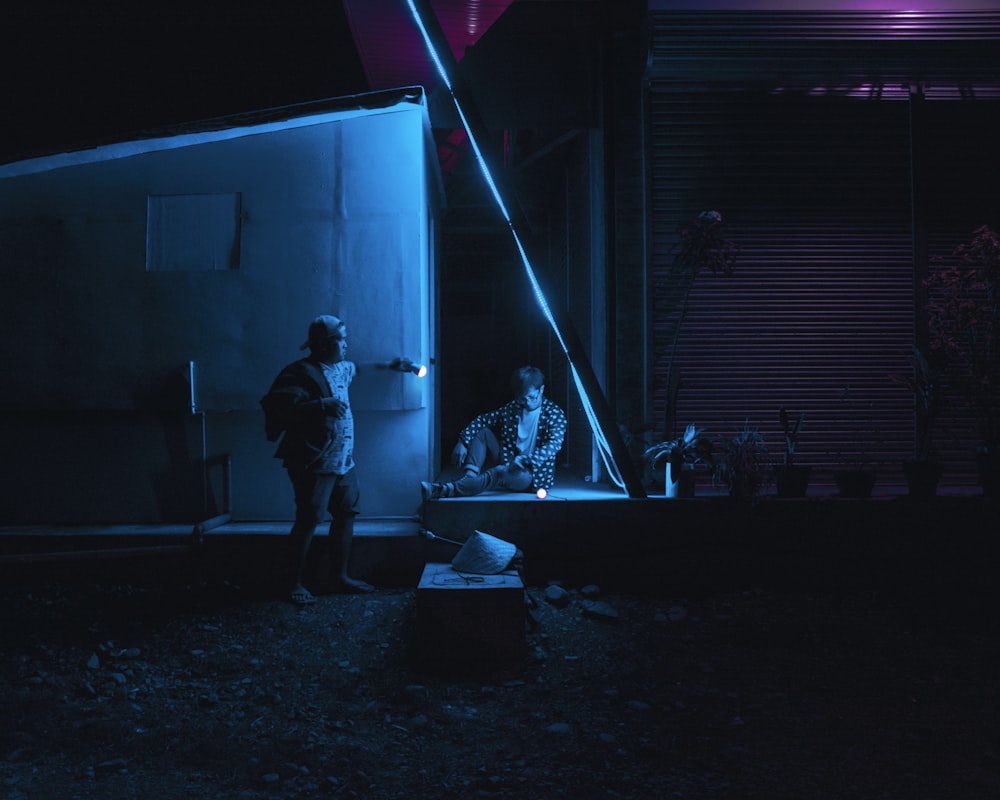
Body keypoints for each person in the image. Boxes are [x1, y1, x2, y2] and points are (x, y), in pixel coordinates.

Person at [261, 314, 375, 605]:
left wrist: (396, 366)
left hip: (343, 461)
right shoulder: (300, 372)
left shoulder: (341, 369)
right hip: (315, 460)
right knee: (309, 519)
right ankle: (294, 582)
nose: (346, 345)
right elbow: (276, 406)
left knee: (346, 513)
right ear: (324, 345)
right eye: (341, 340)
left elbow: (361, 368)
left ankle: (340, 576)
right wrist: (320, 405)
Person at [421, 365, 567, 500]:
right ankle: (469, 478)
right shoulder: (514, 408)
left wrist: (526, 460)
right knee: (483, 432)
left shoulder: (554, 414)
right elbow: (483, 420)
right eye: (523, 398)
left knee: (498, 472)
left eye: (532, 397)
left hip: (532, 476)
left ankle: (447, 490)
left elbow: (554, 444)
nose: (527, 402)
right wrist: (463, 441)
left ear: (541, 390)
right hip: (509, 461)